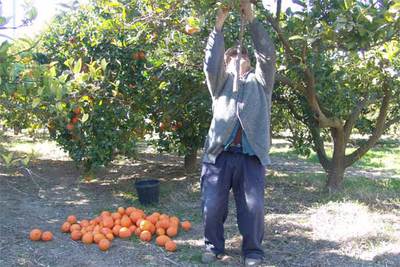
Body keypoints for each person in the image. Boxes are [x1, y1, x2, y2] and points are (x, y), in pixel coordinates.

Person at [200, 0, 276, 266]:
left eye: (242, 56)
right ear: (226, 63)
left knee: (253, 209)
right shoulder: (219, 83)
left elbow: (267, 55)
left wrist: (252, 20)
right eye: (231, 56)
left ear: (249, 62)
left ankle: (253, 252)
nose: (237, 58)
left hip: (250, 156)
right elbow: (211, 64)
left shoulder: (261, 84)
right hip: (219, 156)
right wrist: (218, 25)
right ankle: (212, 248)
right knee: (212, 207)